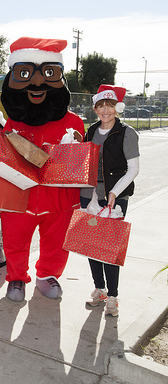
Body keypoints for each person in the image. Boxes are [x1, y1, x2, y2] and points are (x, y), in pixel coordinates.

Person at [0, 37, 85, 302]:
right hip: (20, 197)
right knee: (15, 239)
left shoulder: (74, 122)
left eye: (48, 74)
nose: (37, 83)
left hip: (58, 198)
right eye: (25, 74)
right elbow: (2, 158)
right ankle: (16, 278)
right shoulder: (12, 123)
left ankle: (47, 275)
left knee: (57, 240)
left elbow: (80, 164)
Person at [80, 84, 140, 317]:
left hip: (115, 197)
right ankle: (99, 289)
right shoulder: (92, 130)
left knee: (109, 248)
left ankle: (113, 296)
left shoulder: (127, 133)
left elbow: (133, 169)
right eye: (101, 105)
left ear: (117, 108)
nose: (106, 110)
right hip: (89, 195)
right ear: (95, 108)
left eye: (110, 105)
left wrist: (114, 192)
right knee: (91, 246)